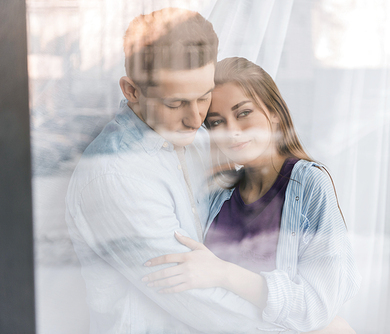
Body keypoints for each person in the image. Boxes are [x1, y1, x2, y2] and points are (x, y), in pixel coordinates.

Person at [66, 9, 296, 333]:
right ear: (131, 91)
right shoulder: (116, 175)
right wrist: (299, 324)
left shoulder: (199, 141)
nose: (194, 118)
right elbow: (196, 301)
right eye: (175, 104)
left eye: (204, 97)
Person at [142, 57, 361, 332]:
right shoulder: (218, 192)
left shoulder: (309, 185)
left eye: (243, 113)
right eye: (217, 122)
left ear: (273, 112)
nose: (232, 131)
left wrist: (223, 274)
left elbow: (315, 308)